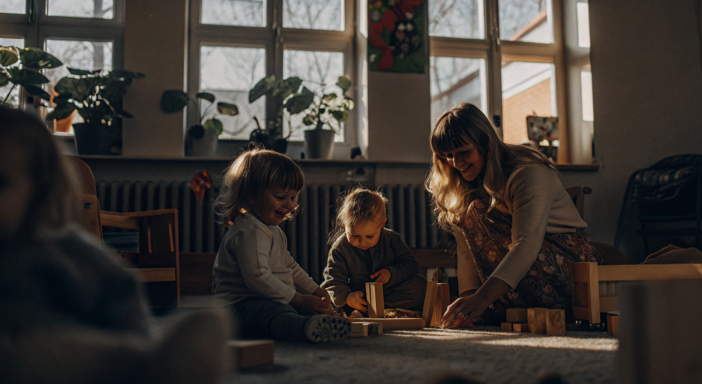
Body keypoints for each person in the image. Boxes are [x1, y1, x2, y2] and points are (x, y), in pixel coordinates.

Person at [0, 106, 230, 384]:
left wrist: (137, 343)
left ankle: (155, 366)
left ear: (40, 189)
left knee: (32, 354)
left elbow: (118, 292)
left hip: (58, 352)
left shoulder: (65, 249)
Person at [425, 103, 602, 328]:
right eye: (448, 156)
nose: (456, 163)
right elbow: (467, 253)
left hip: (567, 274)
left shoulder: (528, 171)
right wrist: (469, 304)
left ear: (485, 143)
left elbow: (526, 243)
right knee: (465, 209)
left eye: (464, 152)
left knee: (474, 211)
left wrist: (482, 298)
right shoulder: (467, 188)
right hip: (520, 278)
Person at [213, 148, 351, 342]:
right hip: (238, 308)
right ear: (251, 196)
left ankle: (308, 324)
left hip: (268, 301)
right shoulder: (250, 230)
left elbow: (289, 266)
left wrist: (315, 291)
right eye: (280, 197)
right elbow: (258, 278)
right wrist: (301, 300)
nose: (290, 205)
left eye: (294, 197)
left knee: (287, 309)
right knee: (275, 312)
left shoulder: (271, 229)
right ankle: (303, 328)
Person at [321, 187, 426, 315]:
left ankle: (384, 309)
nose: (362, 242)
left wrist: (390, 273)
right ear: (345, 225)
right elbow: (333, 279)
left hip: (390, 294)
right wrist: (347, 298)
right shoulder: (340, 248)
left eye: (369, 236)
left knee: (419, 284)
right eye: (354, 235)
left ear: (382, 224)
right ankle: (366, 310)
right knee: (325, 298)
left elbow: (411, 265)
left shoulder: (392, 239)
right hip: (359, 299)